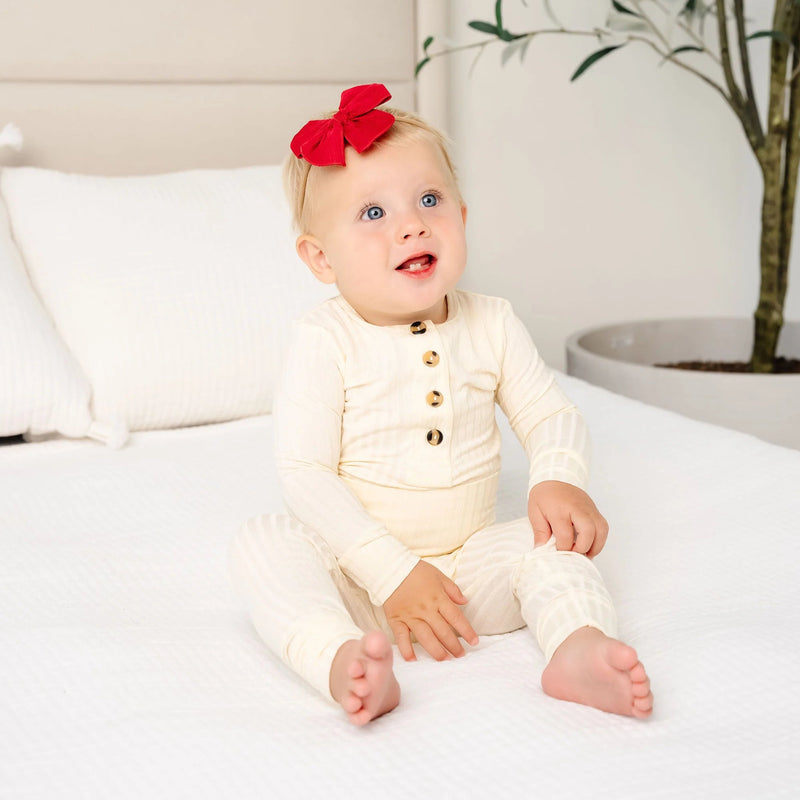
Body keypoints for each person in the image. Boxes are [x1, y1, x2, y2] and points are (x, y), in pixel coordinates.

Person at [229, 84, 653, 726]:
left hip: (465, 573)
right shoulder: (325, 340)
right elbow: (305, 475)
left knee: (554, 551)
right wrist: (392, 573)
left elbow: (550, 413)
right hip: (358, 580)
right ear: (320, 258)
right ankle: (341, 659)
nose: (411, 223)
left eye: (429, 199)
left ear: (461, 214)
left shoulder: (494, 321)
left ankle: (577, 647)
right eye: (372, 213)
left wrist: (559, 479)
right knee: (264, 544)